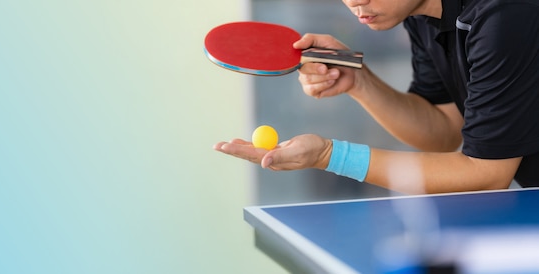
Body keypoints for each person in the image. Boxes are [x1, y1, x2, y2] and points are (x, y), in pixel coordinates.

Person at [214, 0, 539, 194]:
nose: (356, 1)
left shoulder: (504, 14)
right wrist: (360, 82)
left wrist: (329, 155)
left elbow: (487, 174)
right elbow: (442, 130)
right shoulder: (420, 14)